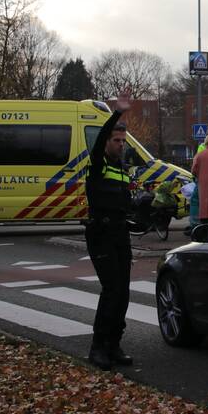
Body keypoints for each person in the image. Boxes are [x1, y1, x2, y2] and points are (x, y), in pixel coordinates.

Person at [84, 89, 135, 371]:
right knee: (112, 289)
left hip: (119, 233)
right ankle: (98, 347)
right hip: (101, 234)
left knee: (124, 291)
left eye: (123, 141)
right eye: (116, 141)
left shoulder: (121, 168)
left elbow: (122, 202)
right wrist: (117, 113)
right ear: (106, 143)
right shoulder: (98, 164)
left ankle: (114, 344)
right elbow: (102, 136)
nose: (120, 145)